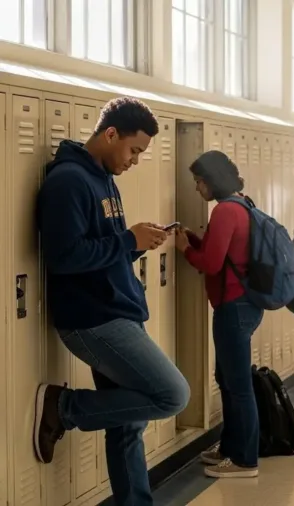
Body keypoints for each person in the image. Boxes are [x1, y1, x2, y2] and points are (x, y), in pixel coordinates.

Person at [34, 97, 190, 504]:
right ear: (109, 134)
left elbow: (101, 250)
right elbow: (65, 257)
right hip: (93, 319)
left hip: (117, 310)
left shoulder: (104, 179)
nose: (135, 160)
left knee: (128, 424)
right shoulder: (68, 181)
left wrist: (136, 244)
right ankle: (63, 407)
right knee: (172, 395)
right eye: (133, 150)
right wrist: (126, 240)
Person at [173, 150, 261, 478]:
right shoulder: (243, 203)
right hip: (243, 305)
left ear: (212, 180)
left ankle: (245, 460)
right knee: (227, 379)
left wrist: (184, 251)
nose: (197, 189)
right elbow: (222, 253)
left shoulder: (225, 211)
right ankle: (230, 447)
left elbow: (210, 264)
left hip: (232, 307)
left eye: (199, 182)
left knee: (237, 385)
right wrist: (193, 240)